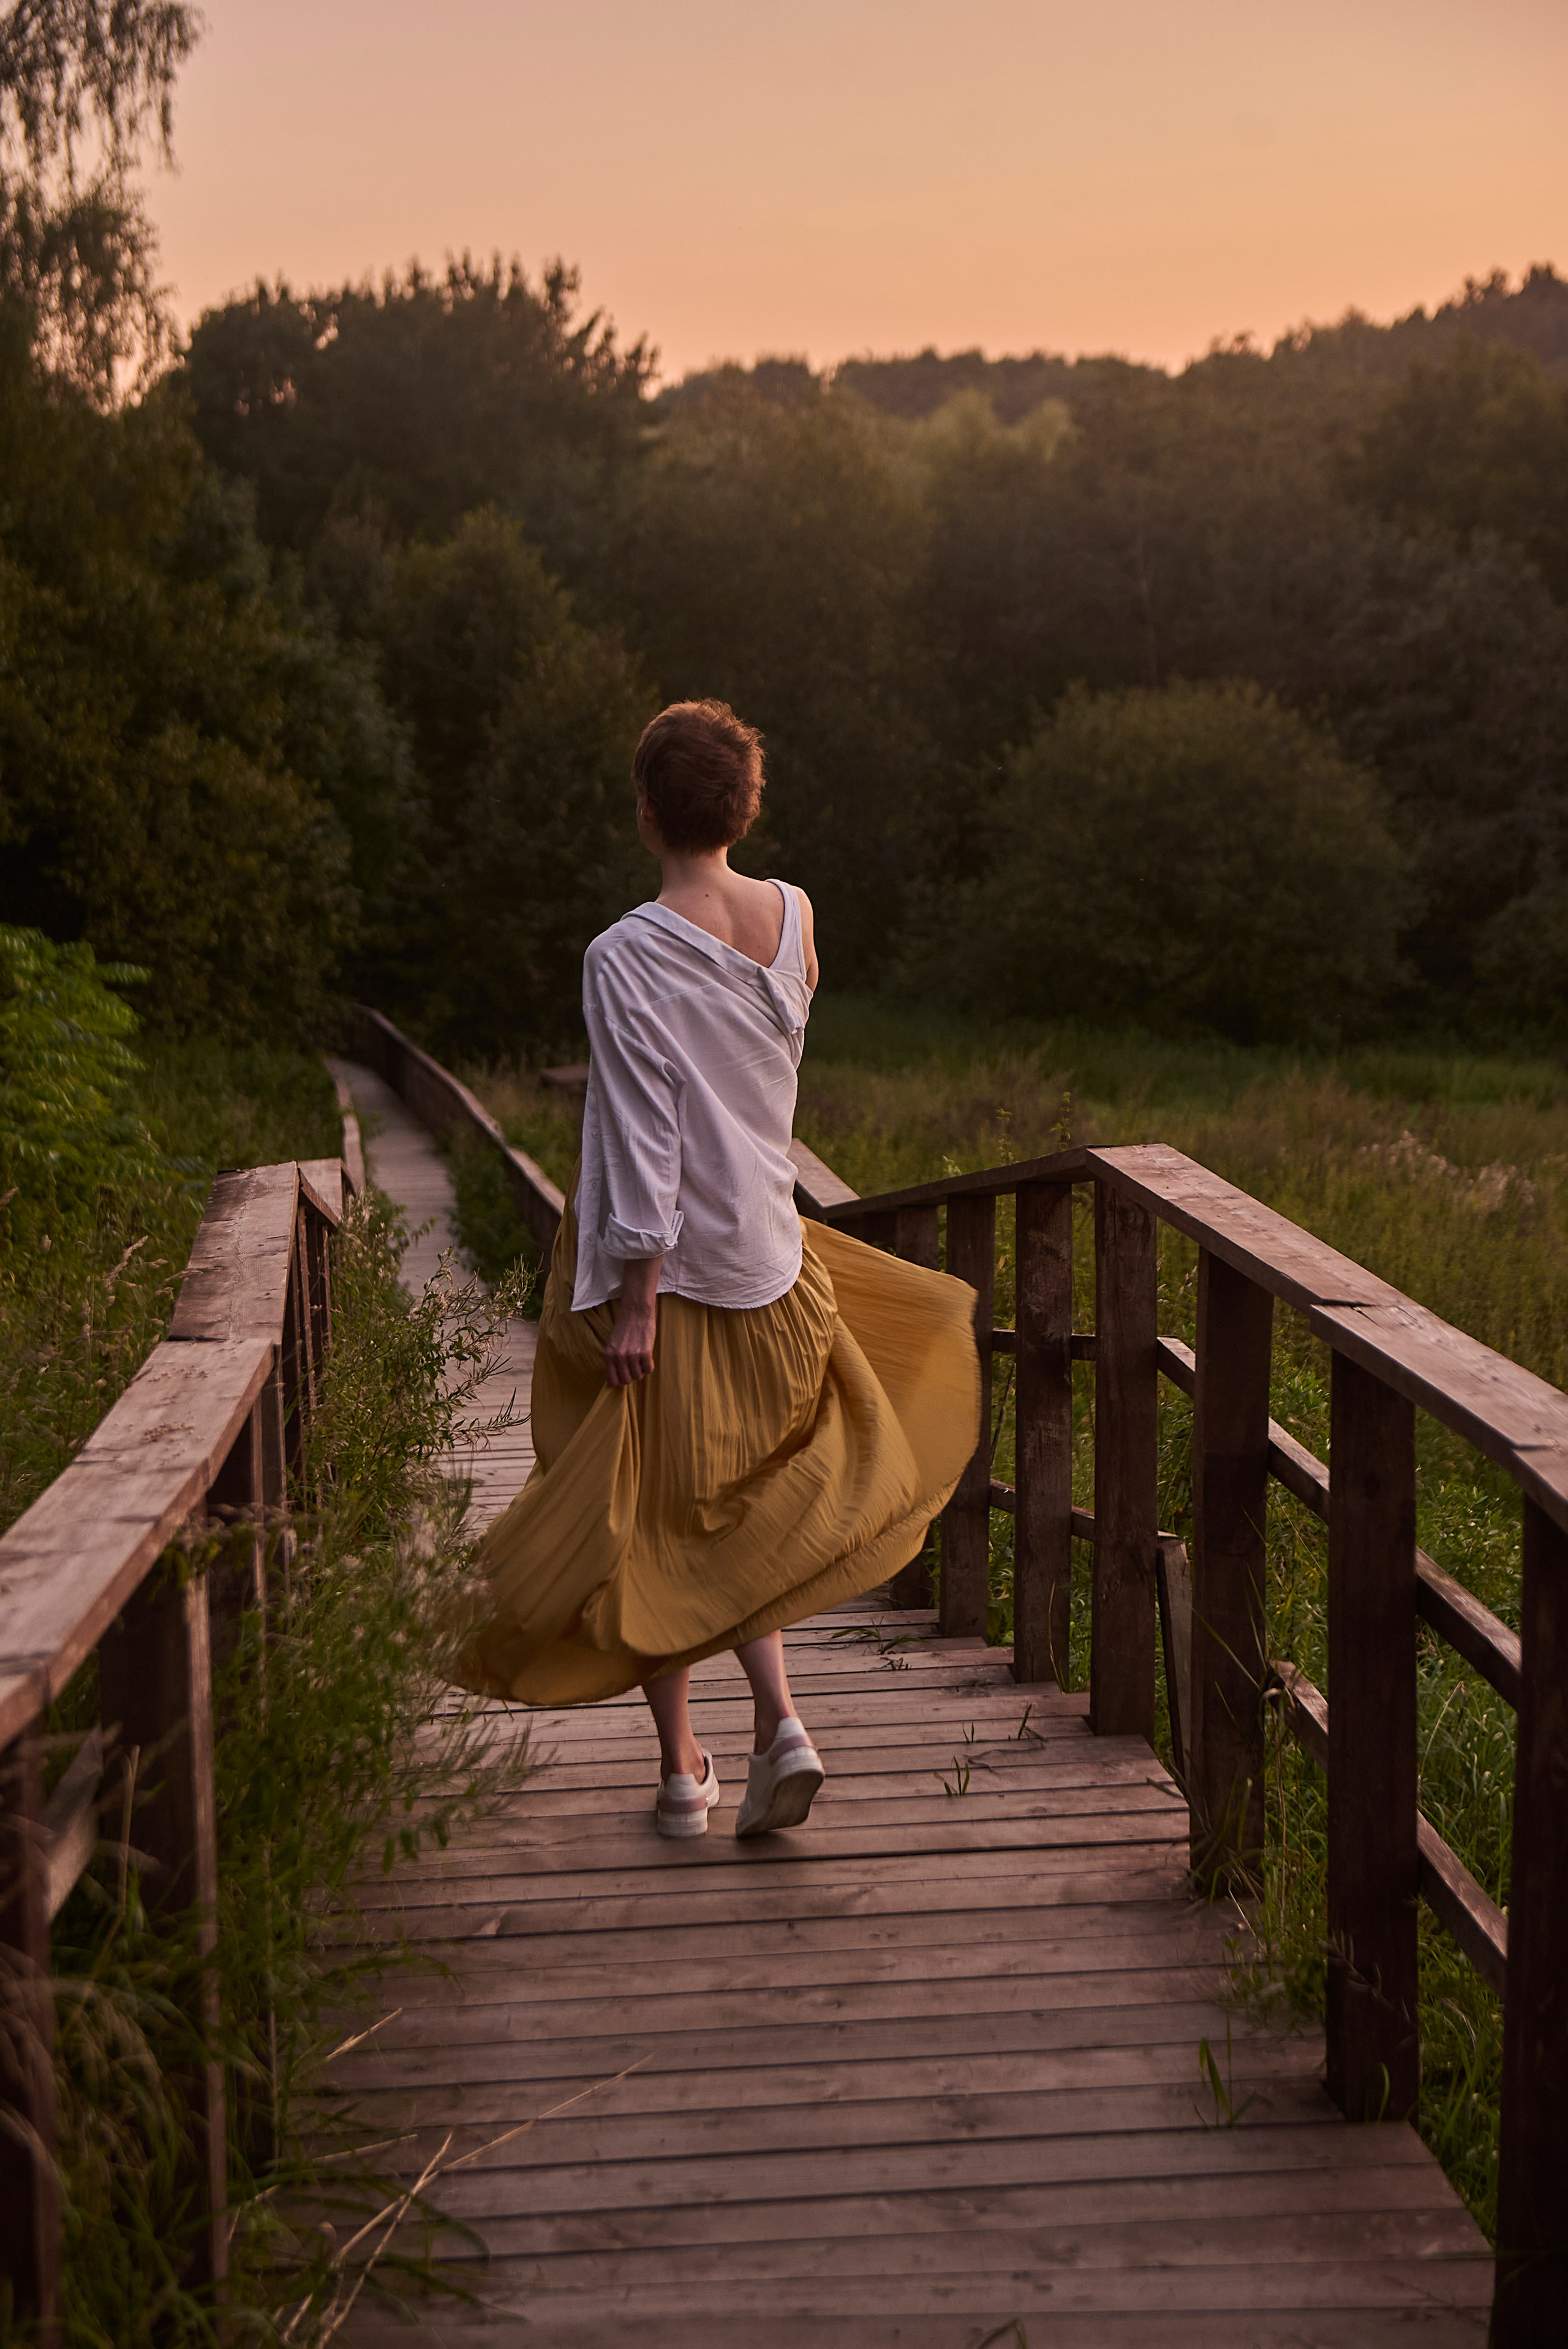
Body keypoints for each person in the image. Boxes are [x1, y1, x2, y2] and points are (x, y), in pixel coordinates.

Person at [456, 700, 979, 1838]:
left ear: (646, 811)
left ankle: (679, 1775)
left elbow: (647, 1134)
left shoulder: (625, 955)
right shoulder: (793, 917)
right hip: (777, 1268)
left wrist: (637, 1295)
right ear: (744, 807)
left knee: (650, 1519)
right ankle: (778, 1728)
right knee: (731, 1512)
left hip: (667, 1284)